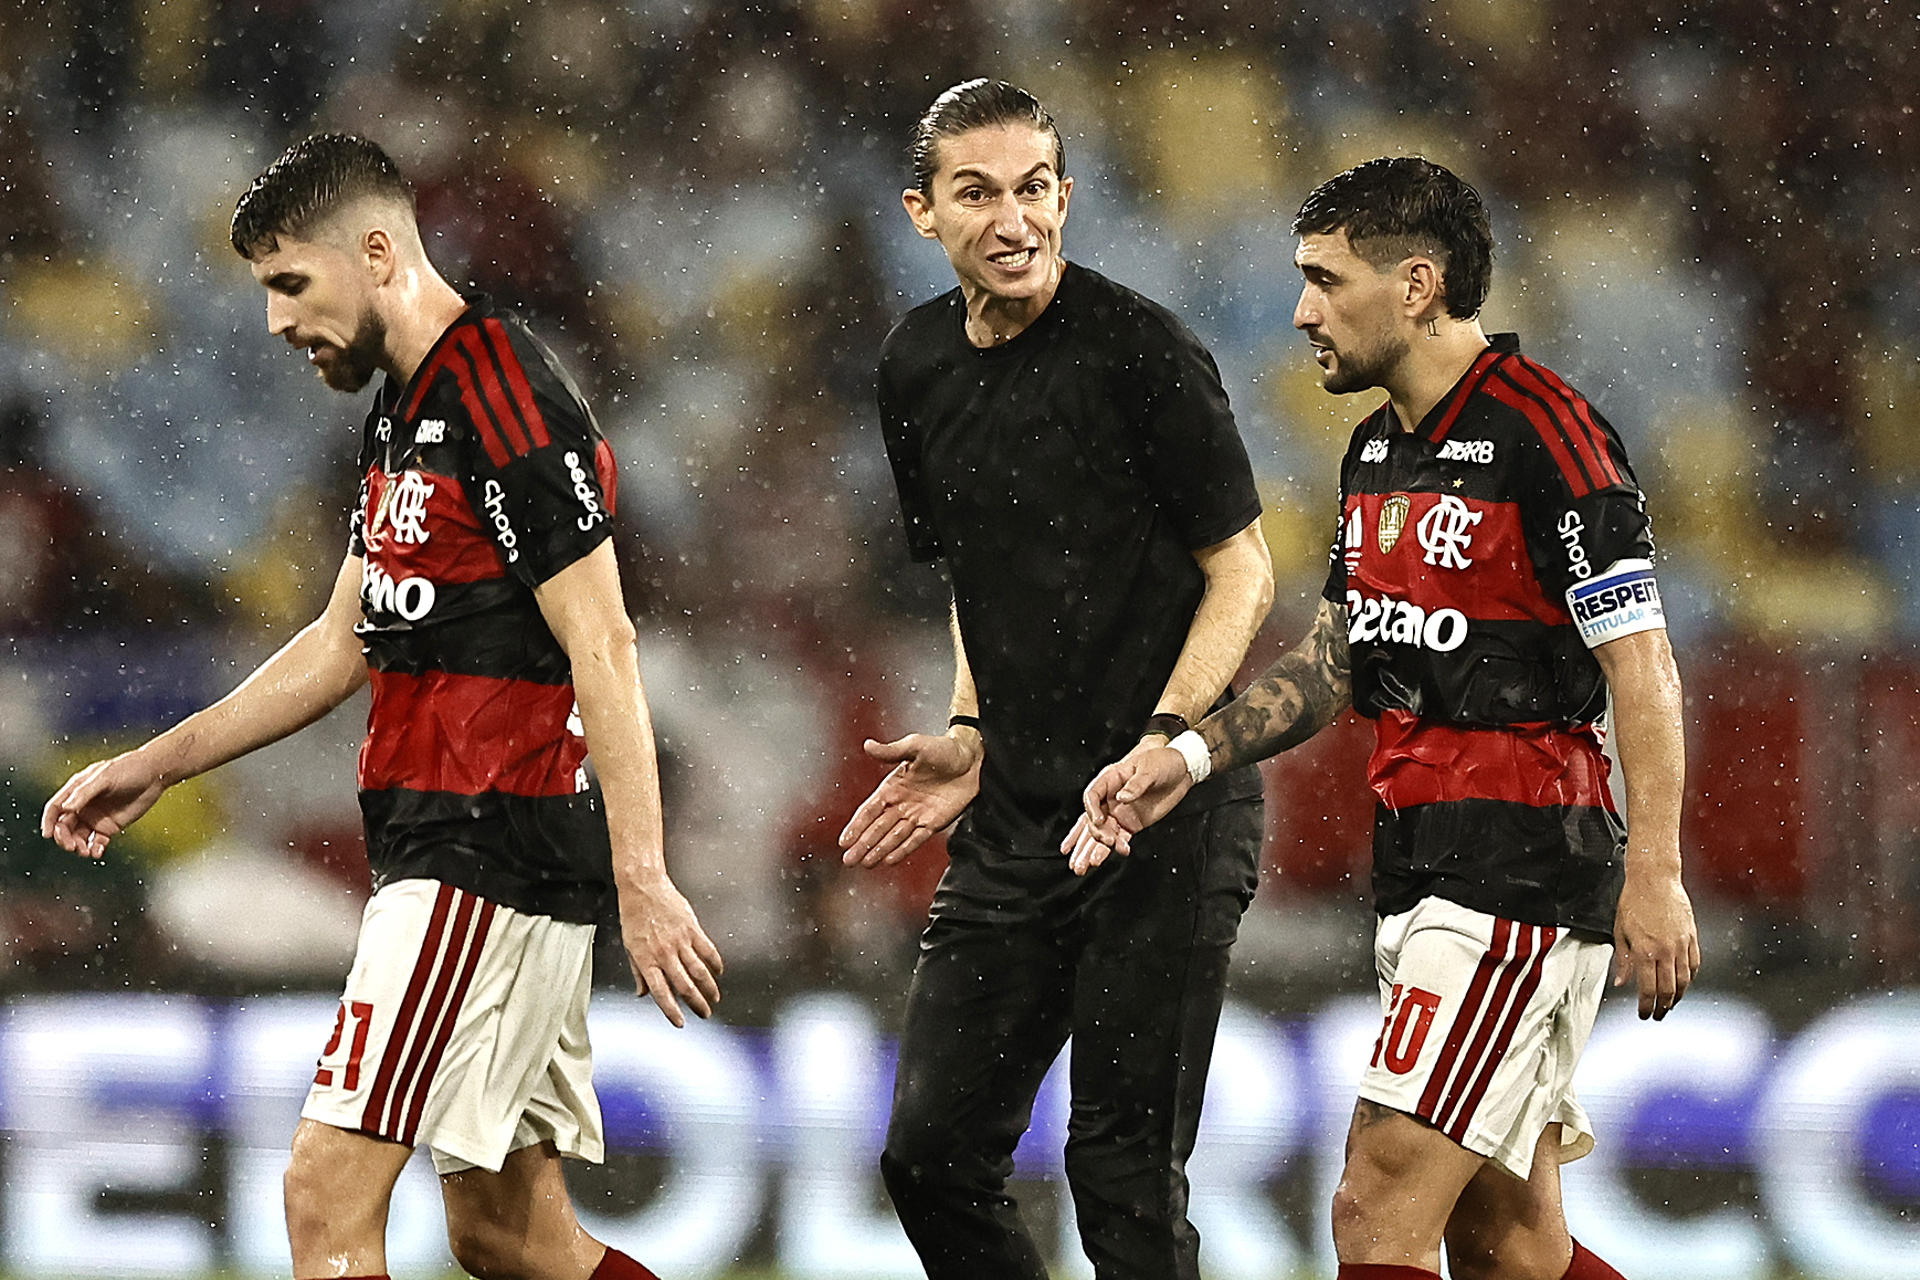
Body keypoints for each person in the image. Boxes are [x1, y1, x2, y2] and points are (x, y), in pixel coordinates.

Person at [41, 133, 721, 1280]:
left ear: (375, 251)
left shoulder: (502, 389)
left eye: (289, 284)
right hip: (453, 850)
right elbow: (341, 639)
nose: (274, 323)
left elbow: (602, 635)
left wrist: (643, 873)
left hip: (481, 852)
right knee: (512, 1239)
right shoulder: (406, 412)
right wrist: (163, 759)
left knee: (323, 1193)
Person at [1065, 157, 1701, 1280]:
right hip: (1421, 865)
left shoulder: (1546, 435)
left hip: (1518, 873)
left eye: (1325, 279)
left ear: (1417, 285)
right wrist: (1192, 748)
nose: (1303, 309)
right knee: (1507, 1239)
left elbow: (1641, 663)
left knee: (1374, 1199)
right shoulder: (1374, 452)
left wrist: (1657, 866)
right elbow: (1337, 659)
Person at [838, 80, 1276, 1280]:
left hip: (1166, 814)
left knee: (1123, 1181)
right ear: (922, 214)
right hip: (1019, 820)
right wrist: (972, 725)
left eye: (1034, 189)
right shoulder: (914, 363)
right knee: (929, 1157)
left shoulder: (1143, 349)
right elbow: (976, 572)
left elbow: (1243, 569)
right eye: (976, 194)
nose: (1014, 219)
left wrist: (1166, 737)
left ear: (1068, 198)